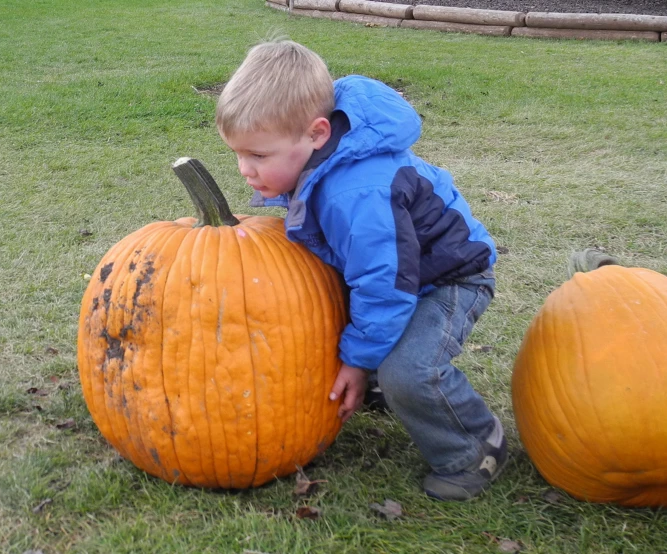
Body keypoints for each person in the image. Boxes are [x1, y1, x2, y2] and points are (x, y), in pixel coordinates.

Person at [215, 39, 506, 501]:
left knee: (408, 371)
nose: (245, 170)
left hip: (449, 279)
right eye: (238, 153)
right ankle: (378, 385)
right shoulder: (321, 162)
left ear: (316, 134)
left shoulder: (356, 194)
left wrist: (357, 359)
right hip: (400, 275)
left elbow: (384, 284)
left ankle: (472, 444)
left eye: (259, 156)